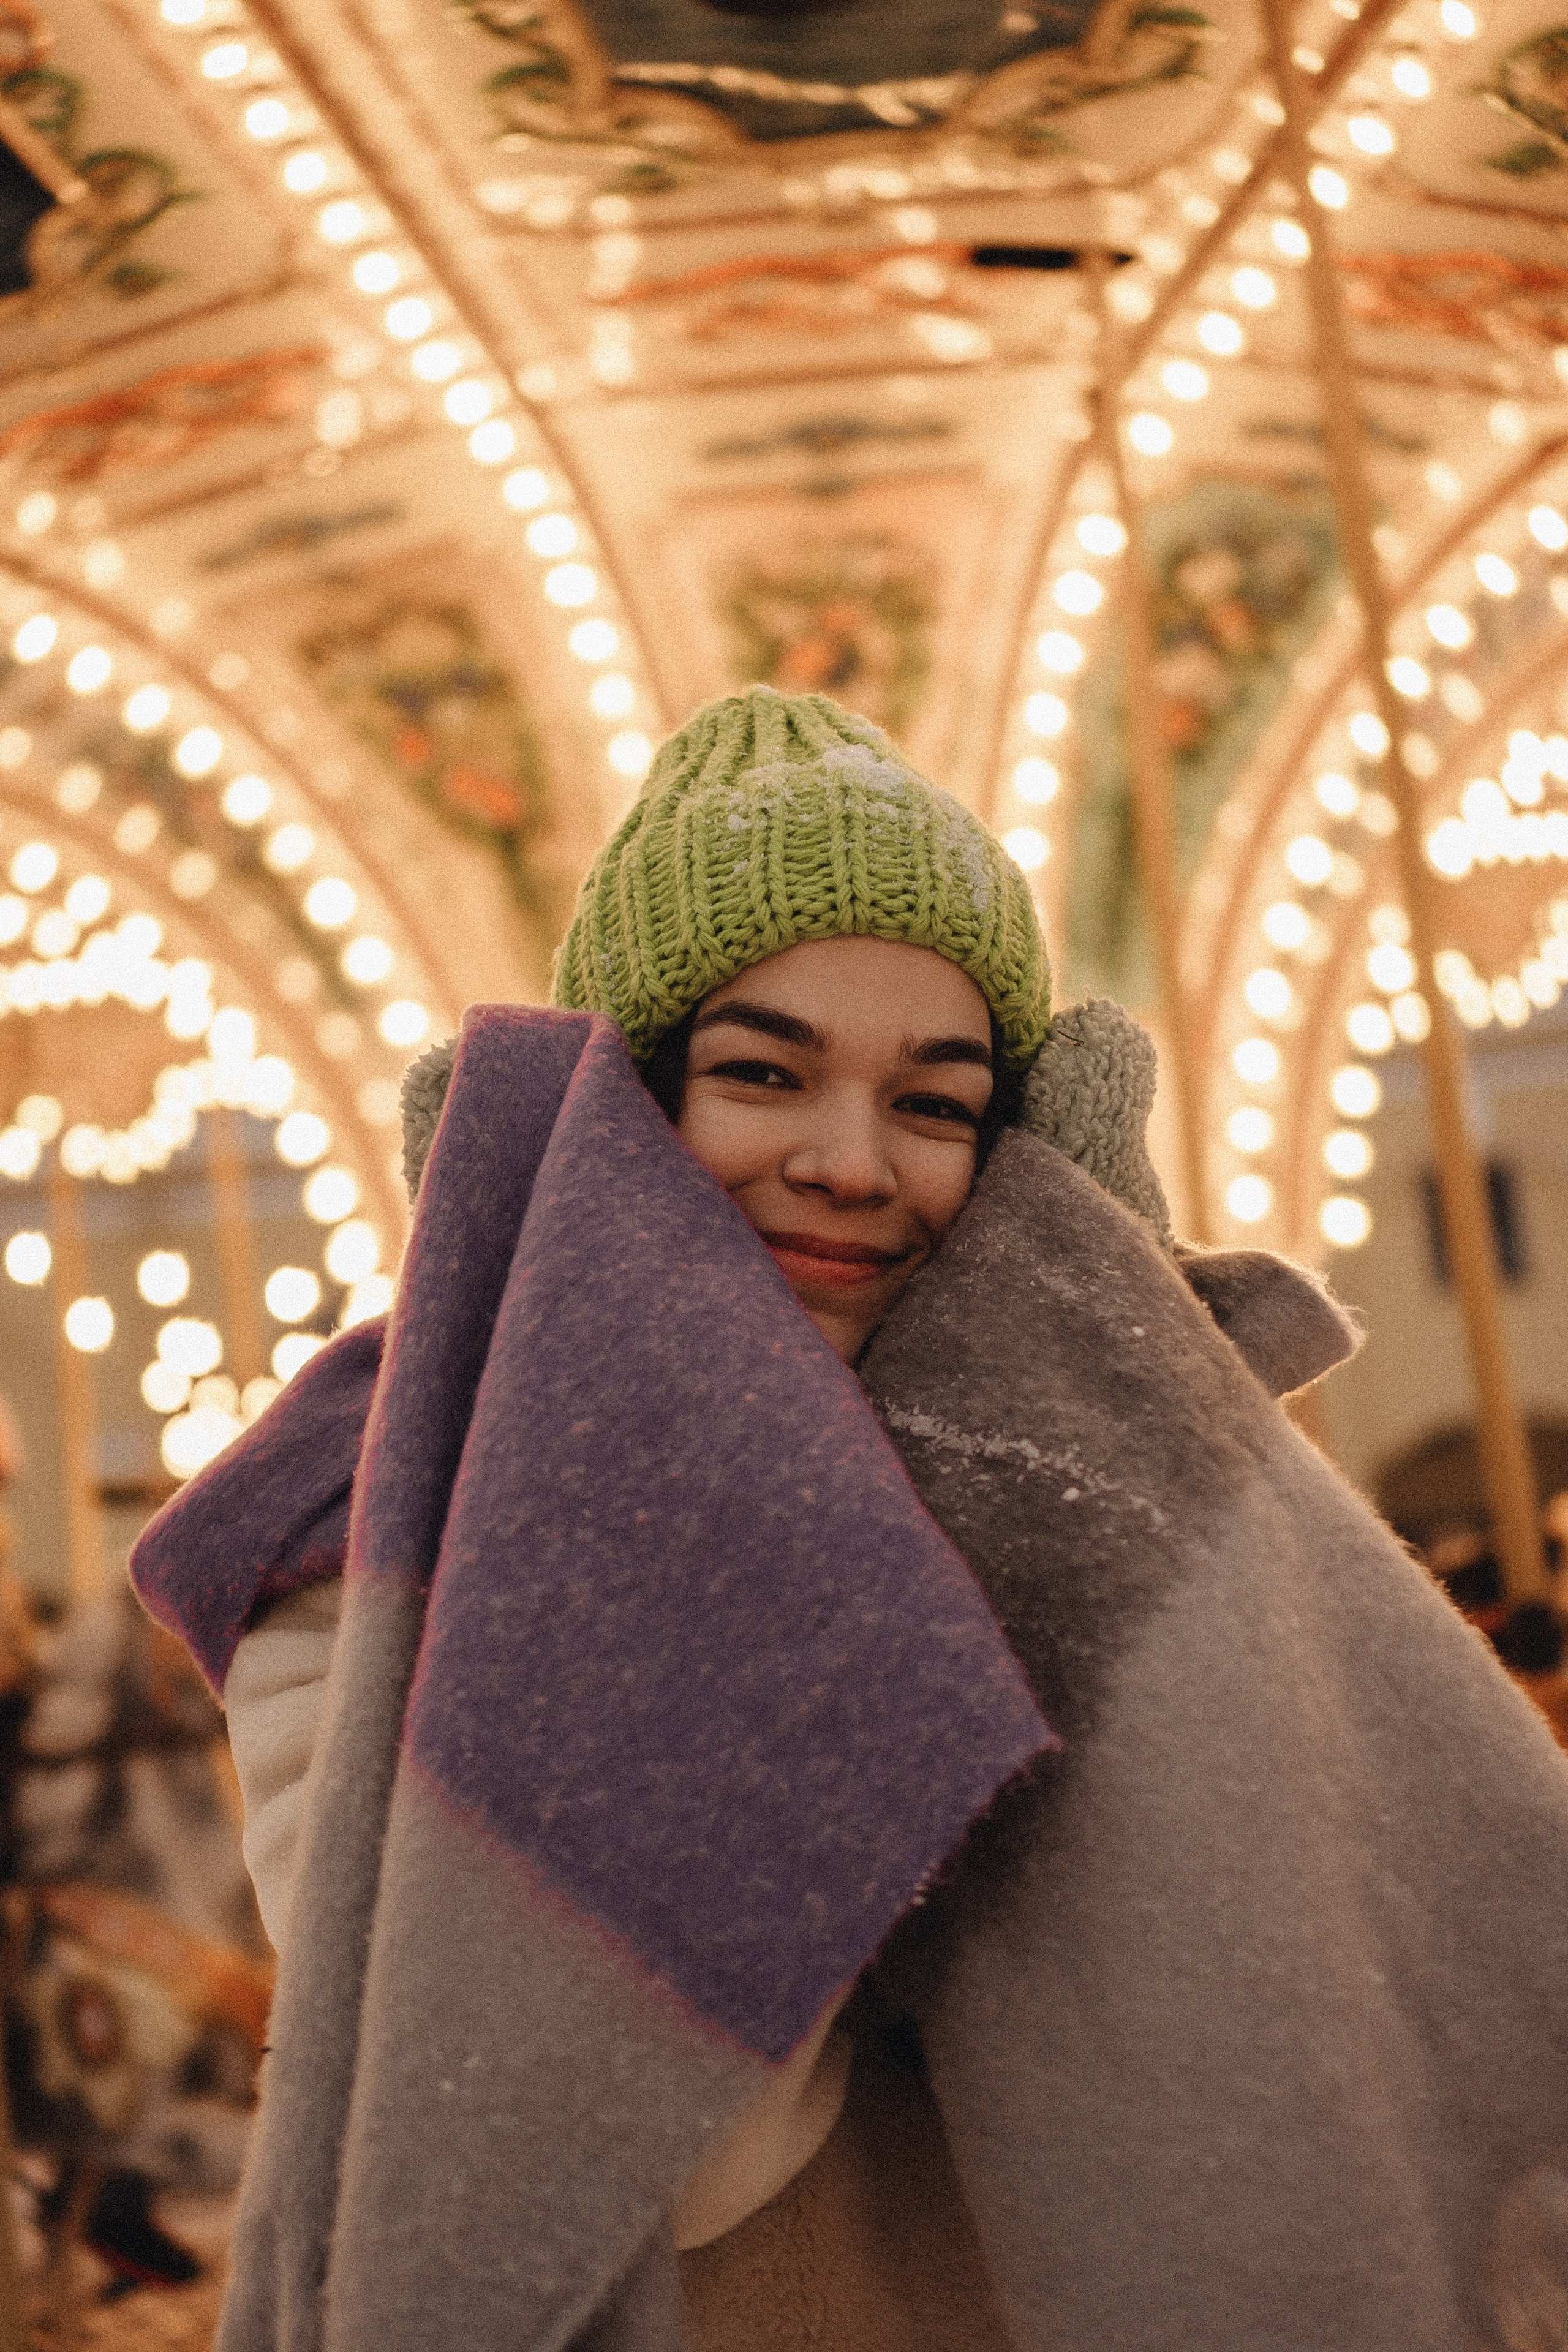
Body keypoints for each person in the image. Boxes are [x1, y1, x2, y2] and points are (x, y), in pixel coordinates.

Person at [132, 687, 1568, 2352]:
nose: (849, 1160)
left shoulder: (1078, 1464)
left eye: (939, 1102)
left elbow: (1278, 1988)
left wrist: (1090, 1382)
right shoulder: (356, 1551)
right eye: (762, 1073)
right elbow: (673, 2144)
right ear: (619, 1115)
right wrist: (598, 1431)